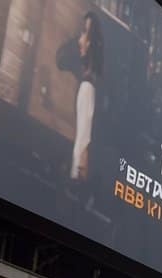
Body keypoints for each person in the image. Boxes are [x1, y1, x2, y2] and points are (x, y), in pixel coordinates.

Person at [57, 11, 103, 183]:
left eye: (85, 32)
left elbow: (84, 142)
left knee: (83, 138)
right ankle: (77, 175)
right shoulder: (87, 80)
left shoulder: (88, 84)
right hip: (85, 87)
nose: (80, 38)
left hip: (87, 88)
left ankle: (77, 177)